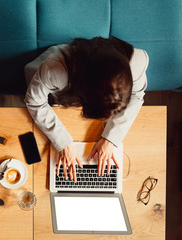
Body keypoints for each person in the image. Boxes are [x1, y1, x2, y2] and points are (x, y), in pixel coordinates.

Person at [24, 36, 149, 183]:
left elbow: (137, 95)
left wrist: (111, 138)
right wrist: (63, 143)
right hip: (52, 88)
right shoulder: (55, 69)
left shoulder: (138, 61)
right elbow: (34, 101)